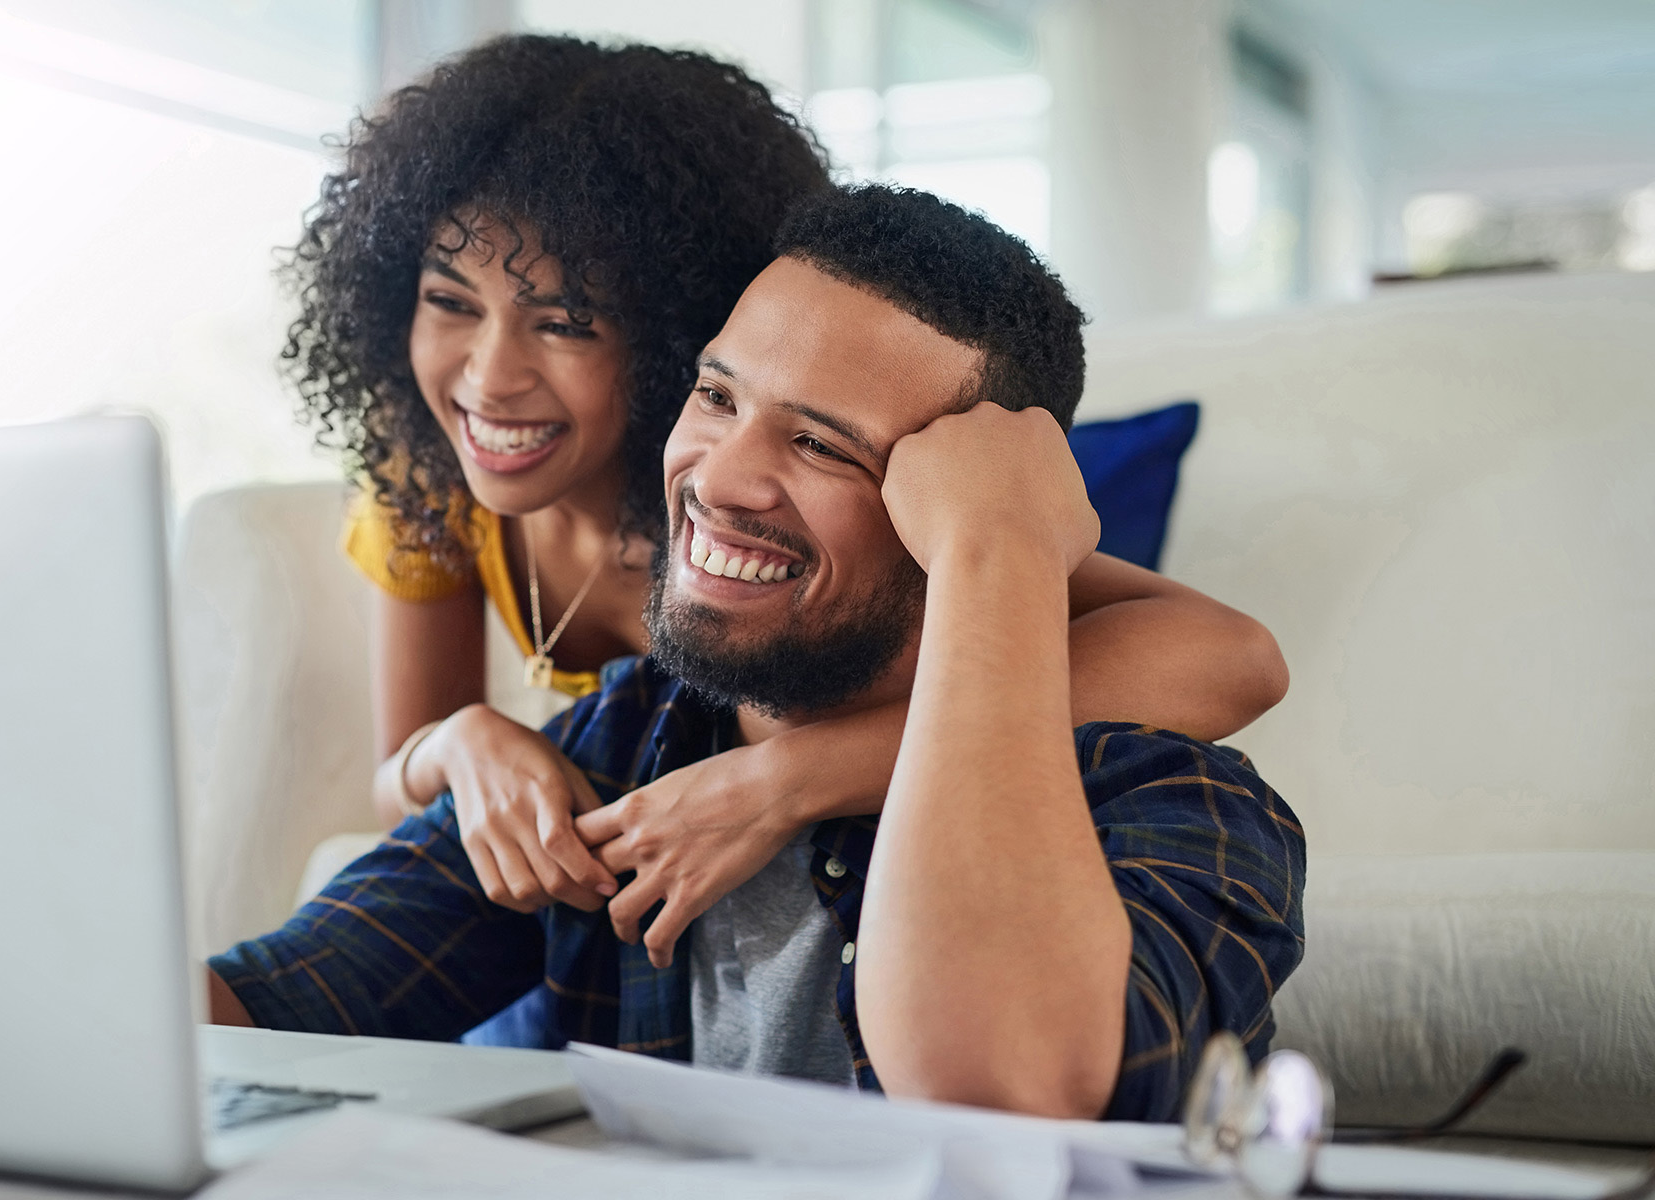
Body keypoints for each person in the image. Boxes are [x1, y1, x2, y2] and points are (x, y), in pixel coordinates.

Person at [211, 185, 1307, 1120]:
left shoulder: (1177, 808)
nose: (719, 478)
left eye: (822, 443)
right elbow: (263, 1003)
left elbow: (998, 1094)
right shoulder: (632, 737)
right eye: (716, 396)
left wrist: (1000, 547)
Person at [286, 35, 1288, 959]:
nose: (489, 379)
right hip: (622, 914)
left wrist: (782, 780)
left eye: (567, 324)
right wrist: (461, 747)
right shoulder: (431, 487)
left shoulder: (746, 498)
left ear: (678, 334)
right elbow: (398, 791)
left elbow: (1232, 657)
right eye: (450, 303)